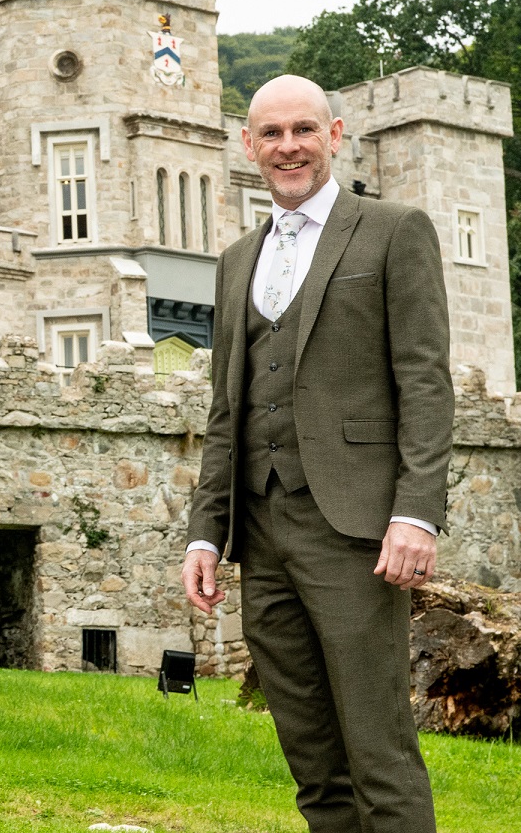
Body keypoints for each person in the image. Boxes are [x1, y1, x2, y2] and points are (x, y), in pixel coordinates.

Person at [182, 74, 451, 832]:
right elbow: (227, 409)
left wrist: (416, 515)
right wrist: (207, 532)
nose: (288, 146)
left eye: (304, 130)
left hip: (356, 532)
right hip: (260, 538)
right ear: (248, 146)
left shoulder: (394, 230)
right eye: (271, 134)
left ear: (334, 135)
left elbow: (425, 385)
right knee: (312, 763)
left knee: (380, 755)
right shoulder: (236, 259)